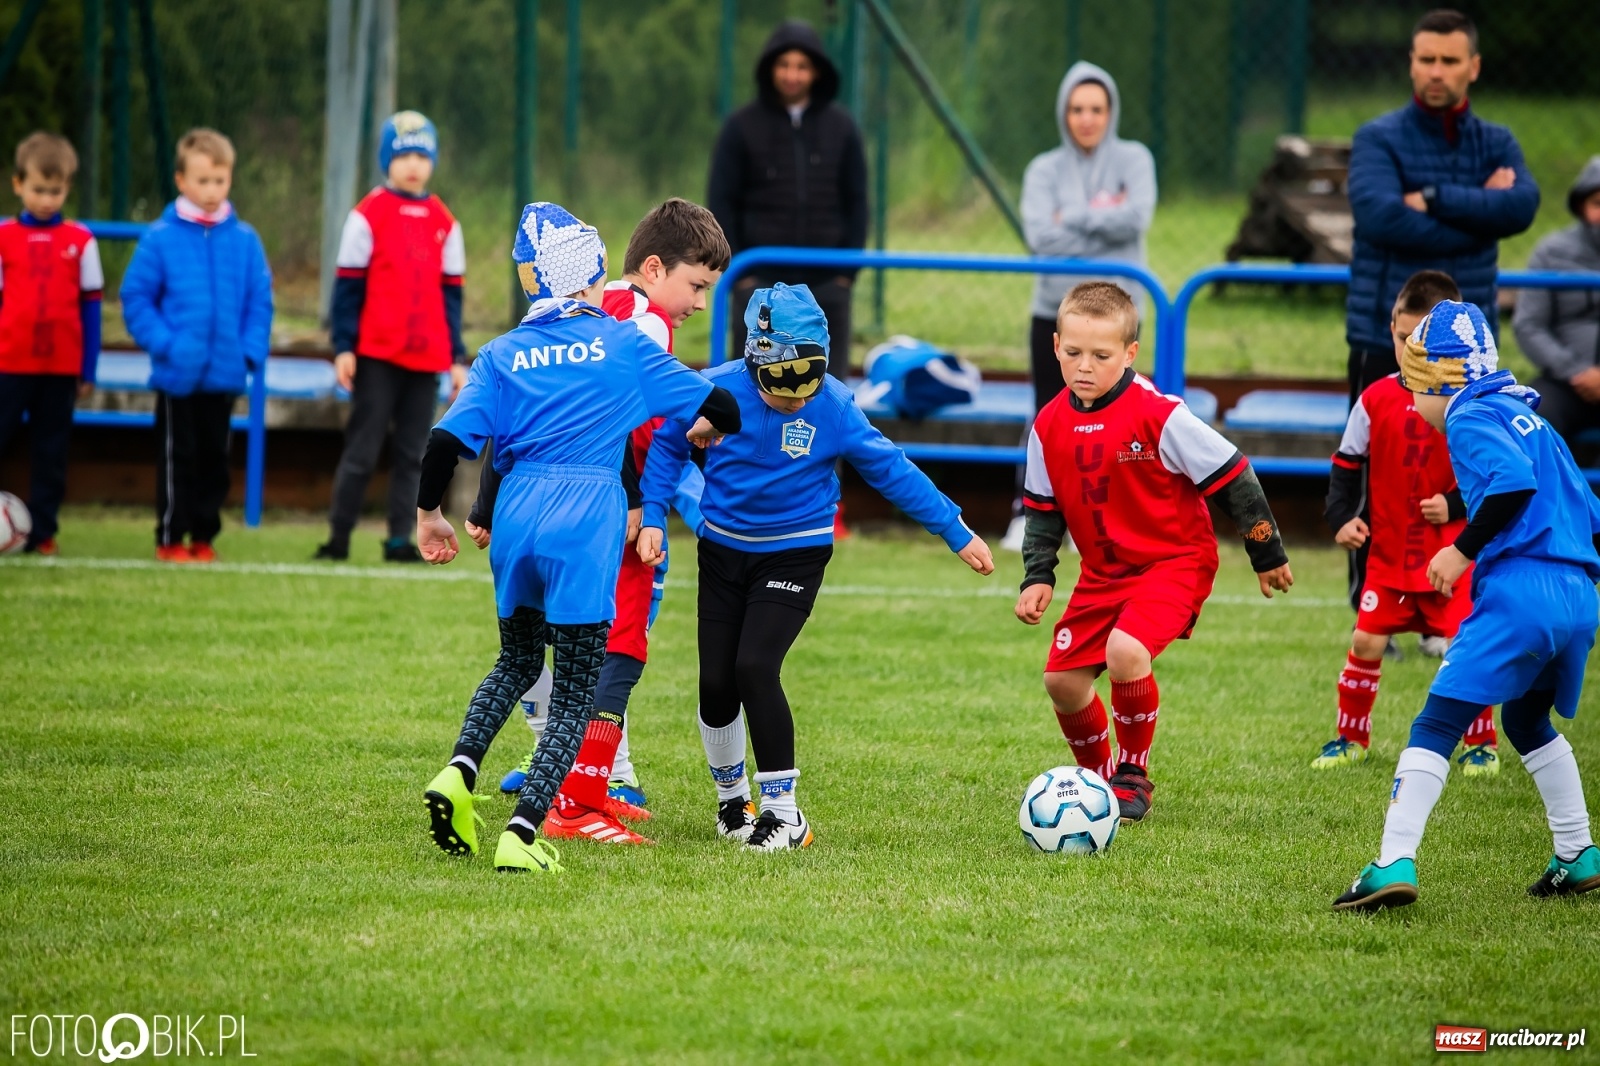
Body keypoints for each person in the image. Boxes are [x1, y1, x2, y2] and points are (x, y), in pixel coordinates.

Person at [415, 202, 741, 874]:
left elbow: (461, 435)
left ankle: (461, 771)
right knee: (590, 670)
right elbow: (697, 409)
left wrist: (452, 510)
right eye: (699, 288)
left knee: (517, 660)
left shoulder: (507, 349)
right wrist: (680, 462)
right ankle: (547, 818)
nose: (701, 304)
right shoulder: (627, 336)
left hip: (520, 510)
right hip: (591, 509)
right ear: (601, 276)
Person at [637, 283, 994, 850]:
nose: (797, 401)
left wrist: (955, 530)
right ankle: (733, 803)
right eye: (783, 390)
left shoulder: (833, 405)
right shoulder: (715, 389)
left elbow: (891, 470)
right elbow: (669, 447)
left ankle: (785, 814)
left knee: (755, 665)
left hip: (796, 550)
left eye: (808, 387)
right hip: (724, 550)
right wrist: (653, 512)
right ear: (756, 364)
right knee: (715, 682)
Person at [1334, 300, 1600, 911]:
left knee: (1435, 724)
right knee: (1527, 722)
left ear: (1438, 381)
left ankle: (1391, 862)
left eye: (1410, 384)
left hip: (1521, 593)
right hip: (1577, 596)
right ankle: (1576, 853)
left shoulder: (1469, 414)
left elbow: (1510, 485)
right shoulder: (1531, 417)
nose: (1408, 400)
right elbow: (1587, 509)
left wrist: (1460, 551)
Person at [1014, 283, 1292, 823]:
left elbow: (1234, 474)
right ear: (1055, 346)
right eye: (1073, 353)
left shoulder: (1159, 414)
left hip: (1174, 562)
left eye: (1101, 355)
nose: (1085, 367)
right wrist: (1037, 575)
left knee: (1124, 652)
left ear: (1130, 353)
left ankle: (1131, 776)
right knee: (1063, 682)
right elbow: (1042, 508)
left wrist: (1266, 551)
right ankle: (1097, 784)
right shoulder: (1046, 425)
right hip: (1102, 574)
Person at [1318, 271, 1497, 775]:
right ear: (1391, 328)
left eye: (1424, 344)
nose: (1410, 352)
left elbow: (1492, 475)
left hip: (1449, 557)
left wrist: (1455, 505)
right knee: (1366, 641)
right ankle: (1350, 738)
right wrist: (1341, 517)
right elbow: (1348, 461)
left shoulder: (1472, 402)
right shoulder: (1374, 398)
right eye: (1402, 339)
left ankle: (1481, 744)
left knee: (1464, 648)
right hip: (1389, 557)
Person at [1344, 9, 1539, 411]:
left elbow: (1520, 207)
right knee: (1377, 466)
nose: (1436, 72)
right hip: (1386, 339)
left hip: (1470, 347)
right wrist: (1481, 216)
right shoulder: (1376, 138)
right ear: (1411, 64)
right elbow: (1382, 220)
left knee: (1464, 467)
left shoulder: (1497, 143)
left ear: (1474, 67)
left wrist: (1433, 198)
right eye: (1426, 59)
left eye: (1449, 61)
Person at [317, 111, 467, 564]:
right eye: (404, 154)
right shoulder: (367, 215)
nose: (414, 164)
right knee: (362, 450)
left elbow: (452, 299)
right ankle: (338, 537)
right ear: (388, 159)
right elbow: (347, 290)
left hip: (427, 360)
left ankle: (401, 538)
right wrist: (343, 347)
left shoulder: (446, 223)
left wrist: (456, 358)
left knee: (413, 455)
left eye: (422, 154)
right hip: (376, 355)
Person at [120, 128, 273, 563]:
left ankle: (204, 538)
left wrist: (249, 351)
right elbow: (135, 299)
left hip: (225, 373)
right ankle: (170, 538)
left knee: (214, 461)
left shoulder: (245, 240)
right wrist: (164, 344)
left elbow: (260, 300)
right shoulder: (159, 238)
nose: (211, 190)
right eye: (202, 181)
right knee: (177, 458)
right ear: (181, 180)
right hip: (177, 375)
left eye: (220, 181)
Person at [708, 19, 868, 380]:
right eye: (784, 65)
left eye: (801, 67)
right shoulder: (741, 127)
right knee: (752, 382)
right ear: (770, 69)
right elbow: (721, 202)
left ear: (816, 72)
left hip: (827, 282)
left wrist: (846, 273)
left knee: (825, 384)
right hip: (759, 280)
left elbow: (858, 202)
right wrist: (743, 274)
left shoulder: (842, 128)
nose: (792, 75)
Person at [1020, 61, 1156, 417]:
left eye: (1097, 109)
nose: (1087, 119)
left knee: (1118, 420)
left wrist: (1074, 218)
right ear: (1063, 113)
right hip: (1052, 311)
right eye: (1077, 109)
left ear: (1111, 113)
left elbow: (1136, 218)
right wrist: (1109, 224)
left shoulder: (1135, 159)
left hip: (1117, 315)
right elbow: (1041, 238)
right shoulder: (1043, 169)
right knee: (1051, 418)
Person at [0, 132, 102, 555]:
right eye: (39, 189)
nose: (47, 199)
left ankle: (42, 532)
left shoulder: (81, 242)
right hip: (8, 364)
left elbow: (92, 308)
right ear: (18, 184)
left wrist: (88, 367)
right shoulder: (3, 238)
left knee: (51, 452)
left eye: (56, 191)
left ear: (67, 189)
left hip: (61, 368)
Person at [1514, 156, 1600, 449]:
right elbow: (1529, 324)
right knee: (1531, 419)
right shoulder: (1552, 253)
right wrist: (1576, 371)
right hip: (1566, 382)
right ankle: (1548, 495)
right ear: (1581, 207)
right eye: (1598, 203)